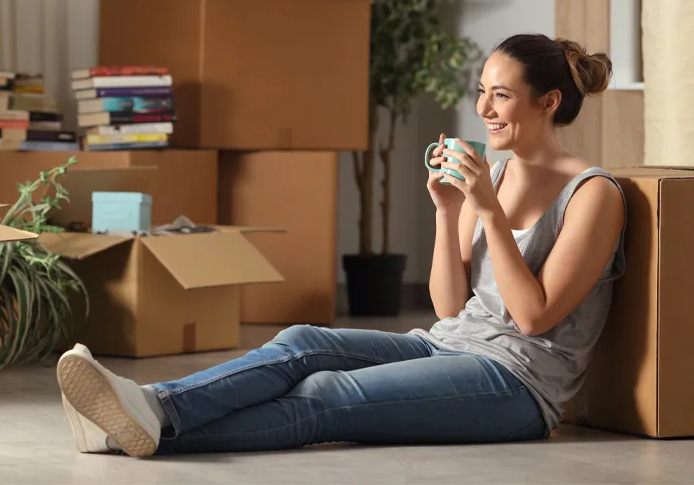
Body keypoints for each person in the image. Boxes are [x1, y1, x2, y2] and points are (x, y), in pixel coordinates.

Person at [56, 33, 627, 458]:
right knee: (304, 343)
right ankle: (150, 407)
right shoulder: (497, 177)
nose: (482, 110)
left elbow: (531, 318)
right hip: (448, 344)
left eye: (500, 96)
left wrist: (486, 213)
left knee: (327, 395)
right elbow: (449, 308)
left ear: (549, 102)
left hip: (518, 384)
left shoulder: (592, 194)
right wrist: (447, 211)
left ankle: (124, 429)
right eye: (481, 92)